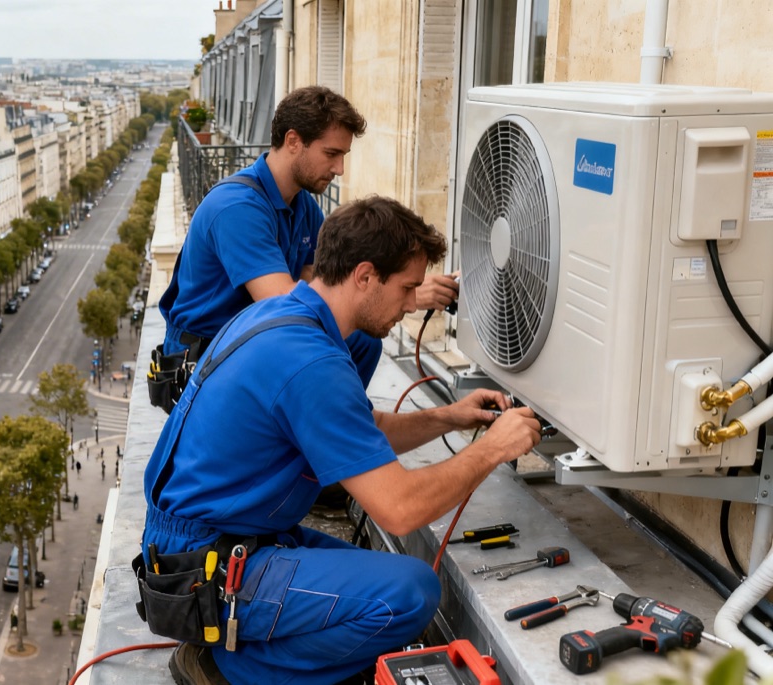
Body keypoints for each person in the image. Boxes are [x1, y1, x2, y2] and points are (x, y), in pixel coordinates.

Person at [140, 196, 540, 685]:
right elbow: (400, 509)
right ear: (365, 276)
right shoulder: (311, 361)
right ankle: (225, 668)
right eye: (407, 288)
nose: (411, 304)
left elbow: (362, 430)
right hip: (207, 570)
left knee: (377, 577)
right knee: (409, 593)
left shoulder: (283, 317)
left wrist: (449, 417)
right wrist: (494, 448)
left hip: (205, 548)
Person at [158, 86, 459, 387]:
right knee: (339, 338)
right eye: (331, 154)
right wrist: (399, 294)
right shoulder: (236, 208)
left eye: (343, 155)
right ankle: (322, 413)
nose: (339, 169)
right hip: (207, 355)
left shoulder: (303, 205)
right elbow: (283, 304)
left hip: (253, 338)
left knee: (363, 342)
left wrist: (394, 284)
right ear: (293, 141)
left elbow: (326, 282)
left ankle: (337, 411)